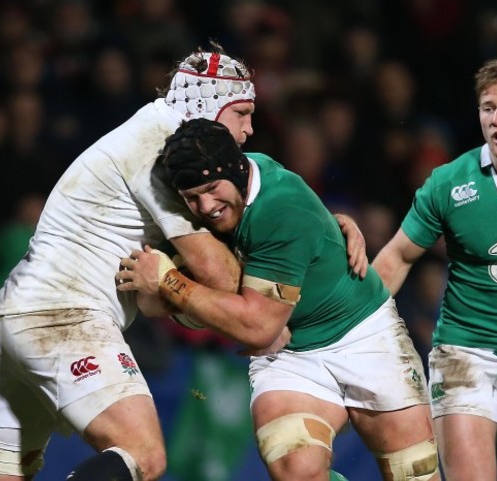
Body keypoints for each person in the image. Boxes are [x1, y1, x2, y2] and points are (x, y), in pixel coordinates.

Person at [0, 43, 366, 481]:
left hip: (12, 316)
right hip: (63, 317)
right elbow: (217, 273)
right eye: (242, 113)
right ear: (210, 105)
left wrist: (322, 227)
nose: (249, 129)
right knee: (141, 454)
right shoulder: (165, 149)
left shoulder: (151, 131)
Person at [116, 119, 440, 481]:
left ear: (237, 172)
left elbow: (256, 327)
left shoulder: (281, 207)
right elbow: (148, 302)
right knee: (295, 469)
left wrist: (169, 282)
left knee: (415, 472)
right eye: (193, 197)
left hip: (363, 335)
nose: (205, 206)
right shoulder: (200, 203)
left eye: (211, 189)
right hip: (290, 355)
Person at [370, 53, 497, 481]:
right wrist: (343, 325)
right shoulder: (450, 183)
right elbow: (397, 257)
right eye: (487, 108)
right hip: (464, 352)